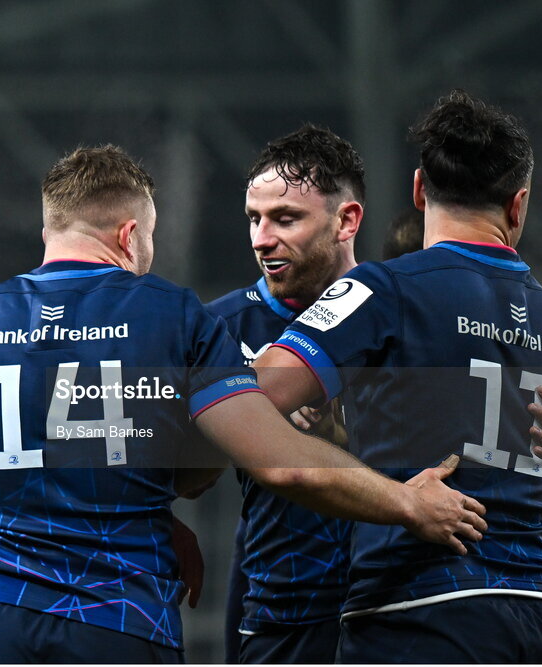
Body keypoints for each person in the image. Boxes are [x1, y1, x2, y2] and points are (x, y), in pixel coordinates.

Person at [0, 145, 487, 663]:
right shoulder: (173, 316)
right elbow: (281, 466)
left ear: (50, 232)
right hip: (123, 623)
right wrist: (407, 502)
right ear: (129, 235)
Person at [252, 90, 542, 663]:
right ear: (518, 205)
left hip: (418, 614)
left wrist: (394, 498)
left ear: (418, 189)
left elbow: (247, 399)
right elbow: (531, 497)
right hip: (535, 618)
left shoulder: (384, 289)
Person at [210, 124, 363, 664]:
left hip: (393, 604)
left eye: (285, 218)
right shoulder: (218, 328)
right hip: (282, 609)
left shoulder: (397, 314)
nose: (261, 238)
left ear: (346, 221)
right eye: (254, 219)